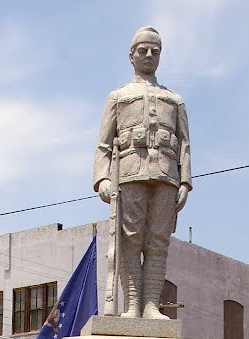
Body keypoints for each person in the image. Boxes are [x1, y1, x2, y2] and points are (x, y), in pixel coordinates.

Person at [94, 26, 191, 320]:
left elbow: (185, 143)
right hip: (129, 175)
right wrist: (103, 178)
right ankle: (133, 304)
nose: (149, 55)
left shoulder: (174, 100)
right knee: (131, 240)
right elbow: (103, 144)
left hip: (166, 178)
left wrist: (185, 180)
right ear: (131, 56)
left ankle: (151, 305)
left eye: (155, 51)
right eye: (143, 50)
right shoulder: (118, 97)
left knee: (157, 242)